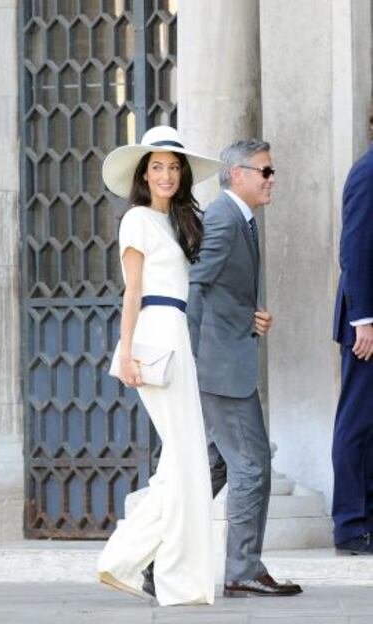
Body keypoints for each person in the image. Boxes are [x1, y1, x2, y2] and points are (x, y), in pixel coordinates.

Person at [97, 126, 222, 606]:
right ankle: (156, 570)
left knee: (182, 463)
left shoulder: (178, 223)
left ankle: (127, 559)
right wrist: (126, 352)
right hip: (153, 338)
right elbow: (133, 292)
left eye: (173, 167)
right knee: (186, 460)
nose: (166, 175)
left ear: (182, 174)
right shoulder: (137, 221)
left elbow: (193, 288)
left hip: (177, 336)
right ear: (143, 175)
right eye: (157, 167)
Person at [186, 140, 303, 597]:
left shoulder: (240, 219)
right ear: (237, 174)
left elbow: (223, 292)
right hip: (218, 367)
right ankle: (243, 570)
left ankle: (157, 556)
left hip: (228, 358)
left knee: (210, 469)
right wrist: (190, 355)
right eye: (265, 171)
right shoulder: (222, 219)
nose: (272, 179)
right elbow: (195, 285)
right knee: (251, 466)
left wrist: (251, 315)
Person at [332, 142, 373, 555]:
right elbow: (355, 249)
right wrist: (363, 318)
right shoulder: (367, 172)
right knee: (358, 423)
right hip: (366, 326)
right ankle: (349, 525)